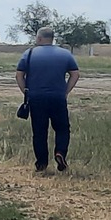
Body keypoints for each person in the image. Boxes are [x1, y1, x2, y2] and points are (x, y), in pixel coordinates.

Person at [16, 27, 80, 173]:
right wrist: (65, 91)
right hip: (58, 97)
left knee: (39, 131)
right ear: (52, 38)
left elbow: (19, 75)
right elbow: (75, 74)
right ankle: (60, 152)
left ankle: (41, 163)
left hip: (36, 98)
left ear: (39, 38)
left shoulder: (30, 53)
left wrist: (26, 92)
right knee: (62, 128)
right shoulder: (65, 54)